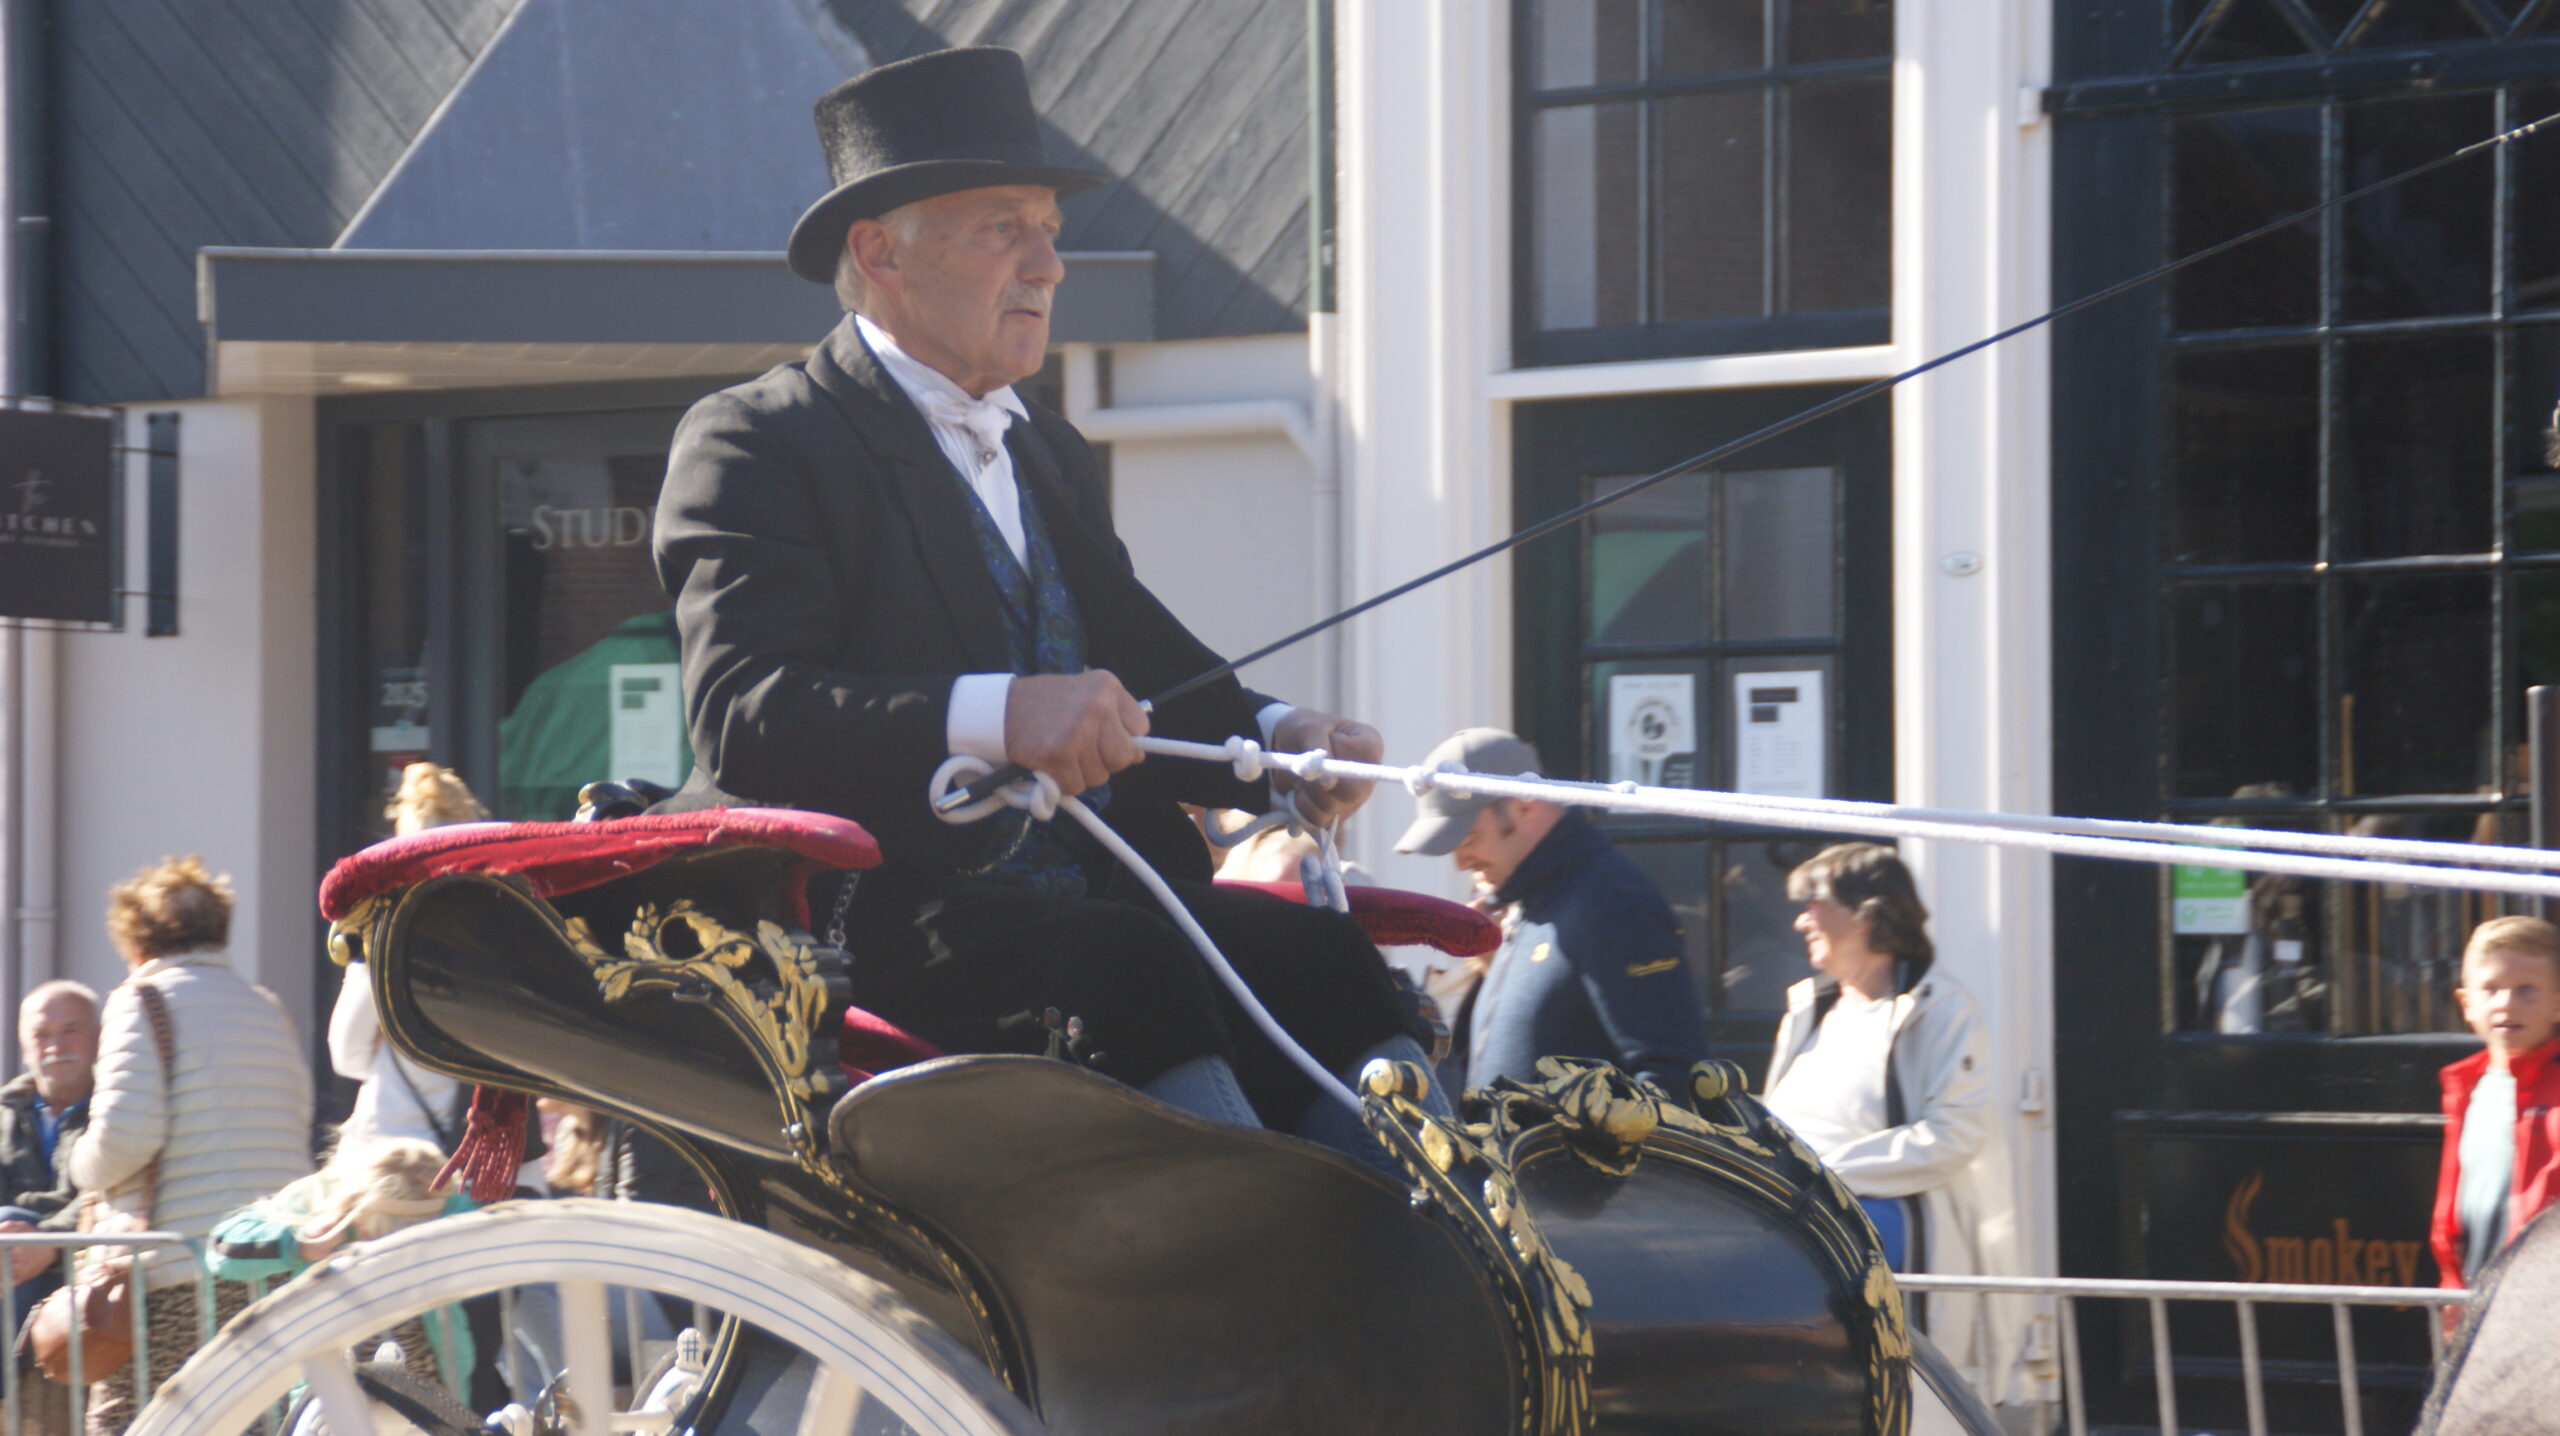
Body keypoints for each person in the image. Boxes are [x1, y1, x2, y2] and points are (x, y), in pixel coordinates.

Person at [652, 46, 1437, 1154]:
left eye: (1050, 231)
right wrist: (999, 713)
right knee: (1128, 962)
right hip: (878, 913)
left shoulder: (1046, 449)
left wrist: (1277, 741)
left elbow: (1134, 660)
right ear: (878, 252)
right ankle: (1249, 1237)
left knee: (1317, 952)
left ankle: (1438, 1223)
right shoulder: (757, 440)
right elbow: (746, 715)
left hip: (1084, 901)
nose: (1047, 265)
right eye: (1001, 230)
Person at [1762, 842, 2027, 1407]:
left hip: (1885, 1233)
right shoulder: (1808, 1008)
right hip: (1794, 1216)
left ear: (1866, 916)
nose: (1800, 920)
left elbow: (1953, 1135)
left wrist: (1827, 1176)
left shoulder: (1942, 1009)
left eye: (1814, 904)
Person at [69, 856, 312, 1435]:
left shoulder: (141, 1000)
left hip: (177, 1275)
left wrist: (79, 1165)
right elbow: (297, 1116)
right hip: (271, 1267)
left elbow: (126, 1138)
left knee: (137, 1422)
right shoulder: (265, 1007)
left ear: (134, 939)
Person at [1392, 728, 1706, 1094]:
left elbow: (1670, 1078)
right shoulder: (1534, 903)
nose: (1460, 863)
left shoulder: (1613, 902)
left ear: (1524, 805)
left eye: (1469, 838)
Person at [207, 1137, 474, 1397]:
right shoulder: (319, 1196)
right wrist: (298, 1244)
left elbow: (492, 1212)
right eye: (376, 1232)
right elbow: (222, 1246)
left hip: (428, 1384)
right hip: (326, 1390)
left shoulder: (447, 1199)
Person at [2429, 915, 2560, 1290]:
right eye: (2491, 989)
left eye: (2526, 990)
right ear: (2467, 1003)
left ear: (2557, 1004)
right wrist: (2452, 1284)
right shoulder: (2465, 1086)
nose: (2506, 1003)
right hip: (2479, 1293)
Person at [0, 981, 100, 1309]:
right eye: (41, 1034)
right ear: (24, 1046)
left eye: (71, 1030)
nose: (56, 1046)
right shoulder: (5, 1113)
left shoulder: (117, 1111)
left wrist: (50, 1242)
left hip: (86, 1263)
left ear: (98, 1037)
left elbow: (108, 1193)